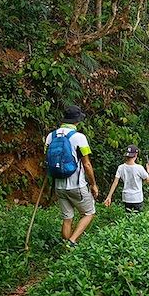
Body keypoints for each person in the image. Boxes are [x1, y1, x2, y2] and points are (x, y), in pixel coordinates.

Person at [45, 105, 99, 247]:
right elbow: (86, 165)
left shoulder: (50, 136)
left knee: (67, 218)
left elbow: (48, 159)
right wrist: (93, 184)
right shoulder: (79, 137)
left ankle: (65, 249)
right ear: (77, 121)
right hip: (77, 185)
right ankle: (72, 241)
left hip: (59, 186)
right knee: (89, 213)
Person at [104, 144, 149, 213]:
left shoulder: (121, 167)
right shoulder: (139, 168)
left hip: (126, 198)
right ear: (136, 155)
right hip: (137, 198)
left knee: (128, 217)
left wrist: (109, 196)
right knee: (137, 219)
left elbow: (115, 182)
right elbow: (148, 181)